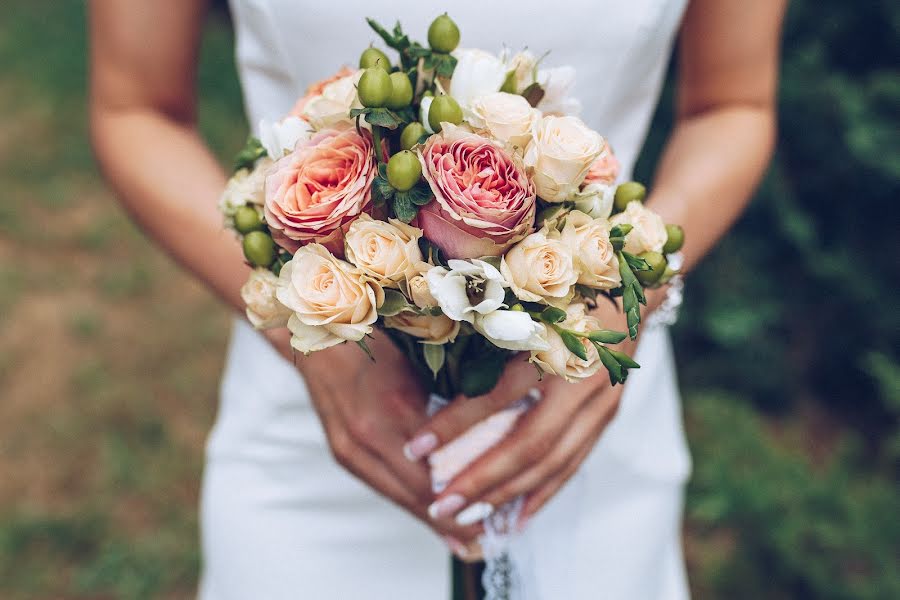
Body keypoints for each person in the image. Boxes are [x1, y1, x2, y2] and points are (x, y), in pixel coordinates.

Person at [89, 0, 786, 597]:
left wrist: (627, 294)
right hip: (313, 432)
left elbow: (733, 106)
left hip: (579, 424)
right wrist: (314, 341)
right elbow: (135, 107)